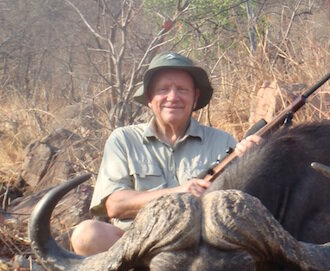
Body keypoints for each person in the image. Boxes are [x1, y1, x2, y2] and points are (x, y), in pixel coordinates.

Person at [70, 51, 260, 255]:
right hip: (139, 249)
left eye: (182, 90)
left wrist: (253, 161)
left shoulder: (224, 142)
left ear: (195, 98)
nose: (173, 97)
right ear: (150, 98)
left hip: (201, 251)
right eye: (163, 89)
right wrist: (180, 192)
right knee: (86, 235)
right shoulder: (123, 139)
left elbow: (240, 210)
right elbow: (115, 205)